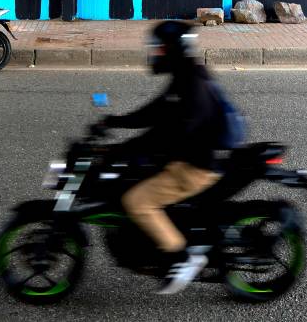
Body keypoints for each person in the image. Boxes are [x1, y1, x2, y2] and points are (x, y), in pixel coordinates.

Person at [92, 20, 232, 295]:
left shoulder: (191, 85)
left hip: (193, 167)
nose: (153, 54)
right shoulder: (186, 76)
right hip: (184, 159)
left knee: (136, 201)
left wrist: (123, 150)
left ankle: (181, 257)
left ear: (173, 49)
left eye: (158, 48)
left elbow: (166, 133)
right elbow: (154, 114)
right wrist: (113, 123)